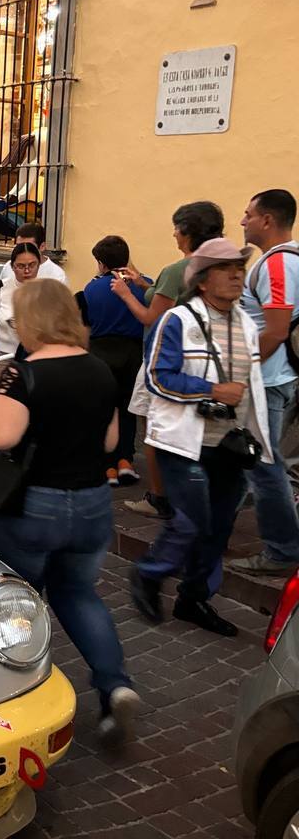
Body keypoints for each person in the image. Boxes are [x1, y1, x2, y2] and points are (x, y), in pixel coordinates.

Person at [0, 279, 140, 744]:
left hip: (35, 501)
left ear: (31, 321)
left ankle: (15, 694)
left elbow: (1, 437)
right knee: (78, 593)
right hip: (91, 502)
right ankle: (115, 685)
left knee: (18, 598)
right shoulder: (99, 369)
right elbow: (111, 442)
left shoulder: (22, 372)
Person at [132, 238, 269, 636]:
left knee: (220, 526)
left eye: (240, 269)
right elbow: (158, 377)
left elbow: (252, 381)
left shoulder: (245, 320)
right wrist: (210, 391)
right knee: (191, 522)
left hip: (232, 442)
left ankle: (193, 600)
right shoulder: (177, 320)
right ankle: (150, 573)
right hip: (185, 441)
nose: (236, 276)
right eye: (226, 269)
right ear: (203, 281)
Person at [115, 201, 225, 521]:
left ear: (189, 232)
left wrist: (125, 293)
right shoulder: (220, 265)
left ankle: (160, 497)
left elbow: (152, 316)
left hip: (164, 358)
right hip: (203, 359)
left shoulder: (178, 269)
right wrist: (144, 284)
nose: (174, 234)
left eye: (177, 228)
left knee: (154, 426)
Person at [231, 189, 299, 575]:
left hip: (266, 380)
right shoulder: (286, 259)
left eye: (248, 214)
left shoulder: (275, 265)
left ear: (267, 220)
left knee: (264, 466)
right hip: (275, 376)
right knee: (253, 460)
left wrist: (241, 371)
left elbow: (274, 331)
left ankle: (282, 550)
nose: (243, 221)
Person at [79, 236, 148, 486]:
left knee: (104, 409)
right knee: (129, 408)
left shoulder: (92, 288)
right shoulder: (145, 285)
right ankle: (125, 461)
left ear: (101, 263)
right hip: (133, 352)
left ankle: (106, 466)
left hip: (101, 351)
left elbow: (88, 323)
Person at [0, 242, 40, 356]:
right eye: (20, 266)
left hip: (36, 356)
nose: (27, 271)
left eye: (32, 265)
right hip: (3, 355)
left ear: (39, 264)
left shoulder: (47, 290)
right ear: (12, 267)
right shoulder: (0, 287)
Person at [0, 222, 68, 285]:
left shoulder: (57, 276)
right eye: (19, 246)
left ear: (42, 246)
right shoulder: (8, 267)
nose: (23, 250)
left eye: (29, 246)